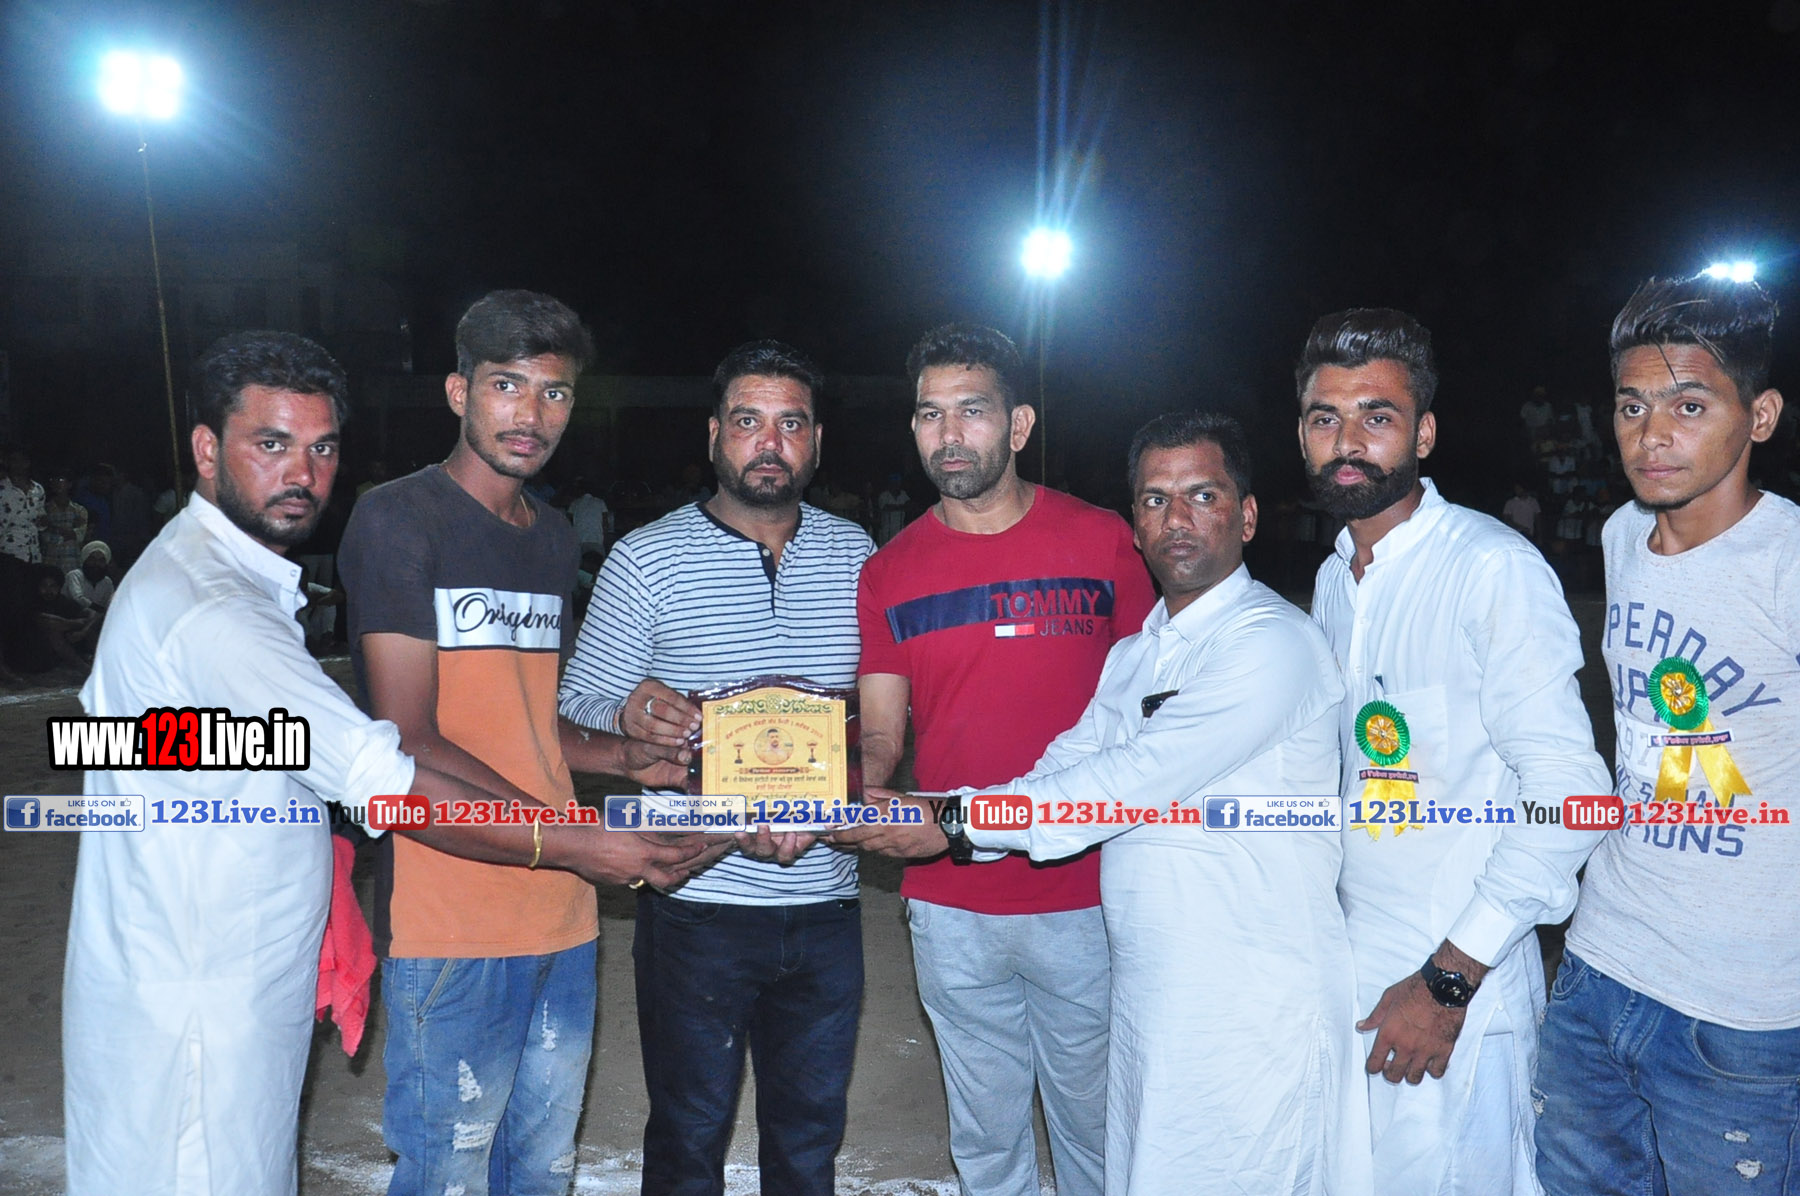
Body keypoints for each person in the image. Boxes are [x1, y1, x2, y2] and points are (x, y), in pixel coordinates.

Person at [62, 330, 699, 1196]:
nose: (302, 473)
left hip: (221, 970)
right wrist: (579, 842)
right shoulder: (214, 611)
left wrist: (617, 758)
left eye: (322, 448)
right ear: (207, 450)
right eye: (271, 444)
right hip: (201, 998)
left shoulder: (223, 581)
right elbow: (388, 774)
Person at [839, 412, 1371, 1196]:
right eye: (1155, 500)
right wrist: (922, 812)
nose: (1176, 518)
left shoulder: (1271, 643)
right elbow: (1067, 765)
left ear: (1248, 516)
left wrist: (951, 821)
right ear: (1136, 525)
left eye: (1202, 496)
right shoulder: (1135, 655)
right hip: (1154, 989)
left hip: (1253, 999)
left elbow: (1126, 782)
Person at [337, 291, 716, 1196]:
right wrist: (578, 836)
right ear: (458, 391)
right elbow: (408, 737)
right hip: (452, 912)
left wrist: (621, 757)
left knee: (543, 1172)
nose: (531, 414)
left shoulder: (549, 537)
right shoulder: (399, 518)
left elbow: (529, 719)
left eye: (554, 392)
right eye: (507, 385)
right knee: (449, 1174)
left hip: (561, 913)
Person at [1296, 308, 1611, 1195]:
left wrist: (1448, 981)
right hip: (1354, 980)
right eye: (1325, 418)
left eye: (1377, 416)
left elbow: (1572, 794)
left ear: (1424, 433)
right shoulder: (1333, 580)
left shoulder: (1488, 568)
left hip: (1455, 997)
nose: (1348, 442)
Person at [841, 323, 1154, 1196]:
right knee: (985, 1139)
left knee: (1099, 1132)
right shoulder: (890, 572)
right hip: (950, 901)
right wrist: (860, 795)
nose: (948, 434)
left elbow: (1151, 718)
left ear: (1017, 425)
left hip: (1089, 892)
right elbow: (881, 736)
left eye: (970, 411)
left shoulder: (1105, 542)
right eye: (929, 414)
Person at [559, 339, 873, 1196]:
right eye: (747, 422)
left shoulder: (858, 556)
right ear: (713, 436)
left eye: (791, 424)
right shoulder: (645, 559)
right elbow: (576, 705)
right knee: (688, 1139)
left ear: (816, 441)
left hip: (827, 901)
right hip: (696, 902)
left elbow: (878, 720)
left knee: (809, 1143)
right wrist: (627, 711)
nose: (769, 443)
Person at [1535, 275, 1800, 1194]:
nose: (1652, 435)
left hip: (1740, 1013)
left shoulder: (1789, 561)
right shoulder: (1621, 535)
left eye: (1690, 406)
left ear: (1759, 416)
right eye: (1631, 405)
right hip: (1599, 962)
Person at [0, 446, 45, 563]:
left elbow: (40, 519)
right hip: (8, 552)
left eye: (21, 460)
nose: (17, 464)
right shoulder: (2, 489)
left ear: (28, 463)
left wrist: (43, 522)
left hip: (33, 552)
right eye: (13, 460)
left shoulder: (38, 489)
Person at [40, 472, 89, 574]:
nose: (57, 483)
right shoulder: (43, 509)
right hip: (50, 561)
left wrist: (51, 527)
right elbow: (45, 537)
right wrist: (68, 529)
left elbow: (79, 536)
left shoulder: (79, 510)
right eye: (53, 480)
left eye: (61, 480)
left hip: (72, 563)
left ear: (69, 484)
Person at [63, 540, 114, 613]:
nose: (96, 563)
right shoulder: (74, 575)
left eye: (101, 561)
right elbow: (78, 599)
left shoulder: (107, 582)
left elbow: (110, 603)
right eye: (92, 559)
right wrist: (99, 610)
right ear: (85, 560)